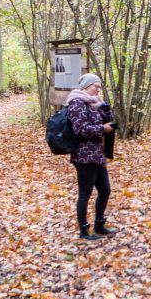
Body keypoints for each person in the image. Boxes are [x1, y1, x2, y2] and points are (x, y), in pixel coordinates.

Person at [66, 73, 117, 241]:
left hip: (97, 154)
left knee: (105, 190)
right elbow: (80, 129)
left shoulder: (93, 103)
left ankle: (99, 225)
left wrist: (104, 107)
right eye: (96, 86)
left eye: (100, 87)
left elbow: (107, 121)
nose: (98, 90)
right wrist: (102, 129)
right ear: (87, 86)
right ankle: (84, 230)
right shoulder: (76, 103)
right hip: (84, 155)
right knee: (85, 193)